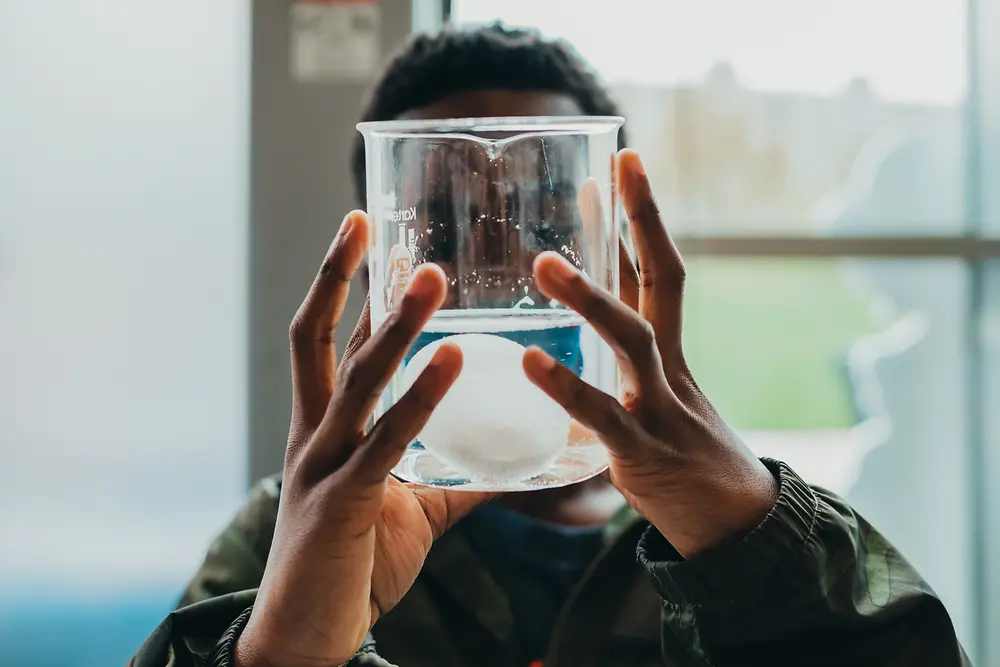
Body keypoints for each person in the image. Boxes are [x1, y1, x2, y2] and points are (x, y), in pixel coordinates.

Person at [130, 24, 970, 667]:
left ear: (617, 246)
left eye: (544, 223)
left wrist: (751, 532)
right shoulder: (295, 530)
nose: (493, 279)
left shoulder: (735, 531)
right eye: (442, 228)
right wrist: (288, 648)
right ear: (377, 261)